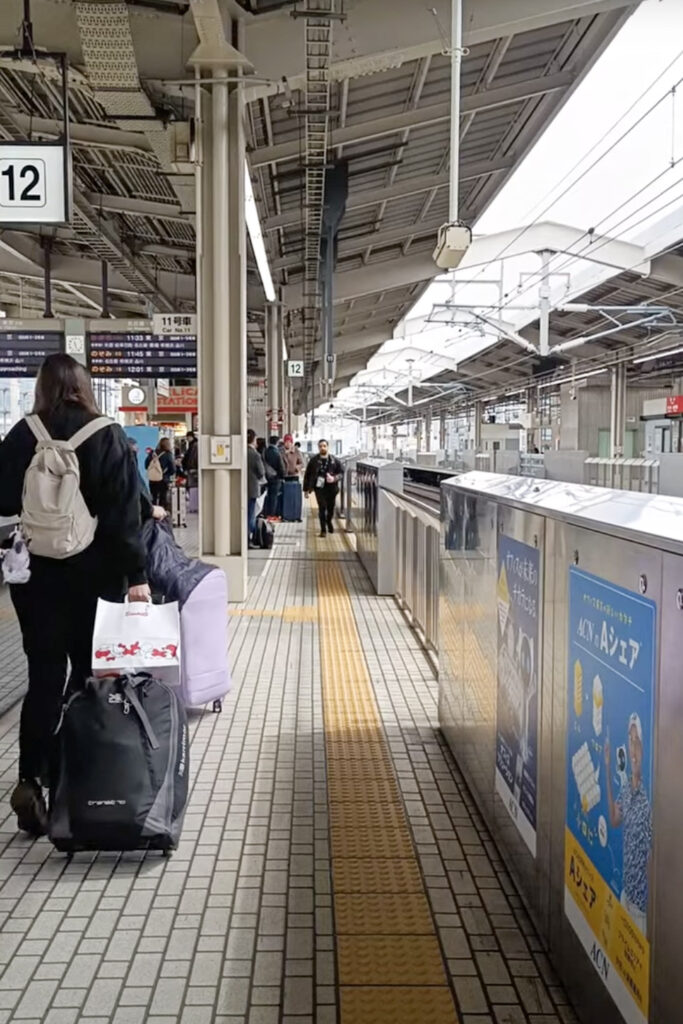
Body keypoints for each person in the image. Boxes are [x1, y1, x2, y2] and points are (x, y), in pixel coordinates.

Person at [0, 354, 150, 836]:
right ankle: (78, 777)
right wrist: (136, 575)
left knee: (43, 676)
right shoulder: (105, 433)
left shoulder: (22, 434)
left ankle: (29, 780)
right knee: (87, 675)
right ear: (84, 387)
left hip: (34, 579)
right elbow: (127, 513)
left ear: (42, 388)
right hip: (95, 575)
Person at [604, 713, 652, 937]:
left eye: (637, 742)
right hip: (625, 897)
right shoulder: (626, 790)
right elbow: (614, 819)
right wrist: (606, 768)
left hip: (642, 912)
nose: (633, 750)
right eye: (630, 741)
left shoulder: (649, 802)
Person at [303, 439, 343, 537]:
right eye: (320, 446)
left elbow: (341, 472)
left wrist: (334, 478)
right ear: (318, 447)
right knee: (322, 507)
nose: (322, 448)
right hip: (319, 488)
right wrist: (306, 489)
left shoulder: (335, 460)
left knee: (330, 508)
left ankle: (328, 521)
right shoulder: (314, 460)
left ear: (328, 447)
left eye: (324, 446)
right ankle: (323, 530)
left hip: (332, 488)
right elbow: (307, 475)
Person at [247, 429, 266, 545]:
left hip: (238, 489)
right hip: (252, 489)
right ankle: (249, 539)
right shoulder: (255, 454)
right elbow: (261, 472)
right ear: (253, 440)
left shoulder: (239, 452)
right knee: (250, 515)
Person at [146, 436, 175, 510]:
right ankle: (161, 515)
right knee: (163, 498)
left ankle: (153, 514)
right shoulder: (168, 454)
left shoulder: (152, 453)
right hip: (163, 479)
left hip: (152, 479)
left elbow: (146, 465)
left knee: (154, 497)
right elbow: (173, 469)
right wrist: (167, 474)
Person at [264, 434, 286, 519]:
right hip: (276, 478)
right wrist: (282, 476)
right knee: (274, 496)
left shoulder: (265, 451)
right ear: (277, 442)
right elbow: (281, 466)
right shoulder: (277, 453)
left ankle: (266, 513)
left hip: (267, 477)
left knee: (268, 496)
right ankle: (272, 514)